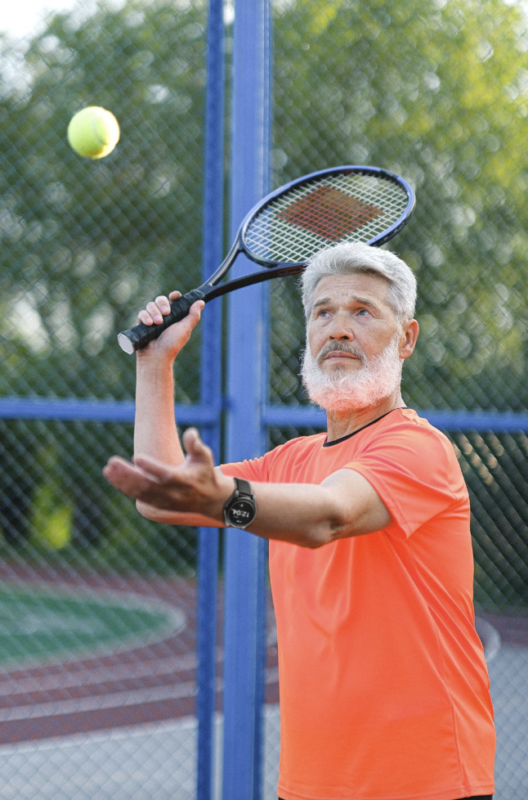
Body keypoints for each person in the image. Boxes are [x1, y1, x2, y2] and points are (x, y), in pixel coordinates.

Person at [103, 242, 495, 800]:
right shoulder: (290, 461)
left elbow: (329, 516)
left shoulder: (418, 448)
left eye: (363, 311)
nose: (338, 328)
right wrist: (155, 365)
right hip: (311, 783)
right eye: (323, 312)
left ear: (406, 338)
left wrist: (222, 496)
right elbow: (162, 497)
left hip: (427, 782)